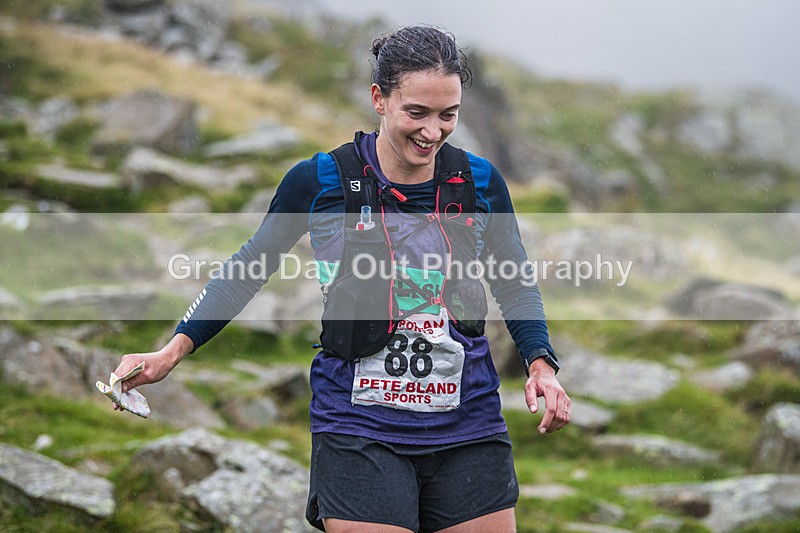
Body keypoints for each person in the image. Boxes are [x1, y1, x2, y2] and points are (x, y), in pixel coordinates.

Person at [112, 25, 570, 533]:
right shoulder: (320, 180)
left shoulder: (481, 181)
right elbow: (247, 269)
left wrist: (540, 364)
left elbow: (515, 282)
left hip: (469, 424)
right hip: (357, 427)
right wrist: (170, 351)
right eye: (416, 113)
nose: (433, 131)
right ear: (379, 98)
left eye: (448, 115)